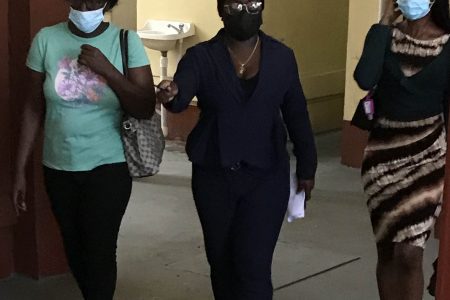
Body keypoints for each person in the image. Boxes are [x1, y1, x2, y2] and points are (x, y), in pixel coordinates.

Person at [156, 0, 317, 299]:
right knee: (222, 262)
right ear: (220, 10)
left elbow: (297, 114)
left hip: (266, 174)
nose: (245, 12)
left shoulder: (282, 57)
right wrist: (171, 93)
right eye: (235, 6)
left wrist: (308, 167)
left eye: (253, 3)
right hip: (214, 174)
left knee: (253, 266)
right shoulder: (201, 57)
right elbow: (179, 95)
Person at [11, 0, 156, 299]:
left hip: (109, 165)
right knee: (75, 249)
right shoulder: (46, 39)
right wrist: (20, 170)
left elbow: (144, 106)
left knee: (100, 252)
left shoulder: (126, 41)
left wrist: (108, 71)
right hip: (59, 166)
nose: (86, 5)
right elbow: (32, 107)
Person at [354, 0, 450, 299]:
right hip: (382, 158)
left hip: (427, 156)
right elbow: (364, 78)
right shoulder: (386, 35)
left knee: (409, 253)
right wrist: (382, 24)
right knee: (387, 251)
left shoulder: (447, 43)